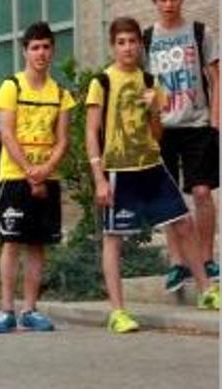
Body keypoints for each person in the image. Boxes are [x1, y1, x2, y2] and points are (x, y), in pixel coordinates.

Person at [85, 17, 219, 334]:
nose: (128, 48)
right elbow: (91, 132)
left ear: (139, 45)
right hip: (119, 169)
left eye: (132, 42)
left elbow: (157, 135)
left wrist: (153, 109)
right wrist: (99, 178)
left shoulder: (150, 81)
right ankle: (117, 311)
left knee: (184, 223)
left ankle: (207, 291)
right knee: (114, 238)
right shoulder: (101, 82)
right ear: (113, 46)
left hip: (151, 166)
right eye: (121, 42)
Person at [0, 22, 75, 334]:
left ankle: (30, 309)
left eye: (46, 46)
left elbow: (63, 139)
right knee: (11, 242)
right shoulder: (12, 86)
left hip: (47, 178)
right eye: (35, 47)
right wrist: (29, 171)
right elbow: (6, 134)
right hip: (14, 177)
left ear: (53, 50)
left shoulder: (61, 94)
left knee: (38, 244)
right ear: (25, 51)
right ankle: (6, 310)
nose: (41, 53)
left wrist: (45, 170)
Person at [144, 0, 220, 292]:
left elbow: (216, 78)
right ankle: (178, 263)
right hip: (162, 128)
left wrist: (215, 121)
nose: (168, 3)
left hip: (197, 125)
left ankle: (206, 258)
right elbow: (142, 86)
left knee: (201, 192)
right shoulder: (148, 38)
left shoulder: (200, 32)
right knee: (170, 198)